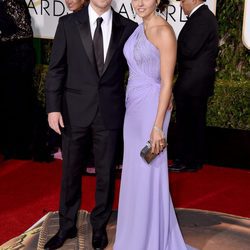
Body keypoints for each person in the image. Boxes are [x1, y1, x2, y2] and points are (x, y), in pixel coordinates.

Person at [44, 0, 137, 249]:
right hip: (73, 112)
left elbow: (136, 70)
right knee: (70, 173)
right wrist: (53, 108)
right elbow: (56, 69)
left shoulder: (128, 27)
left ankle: (99, 227)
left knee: (106, 174)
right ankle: (66, 225)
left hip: (109, 113)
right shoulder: (68, 24)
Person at [114, 0, 196, 249]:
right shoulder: (139, 27)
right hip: (134, 109)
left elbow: (167, 82)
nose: (139, 3)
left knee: (149, 171)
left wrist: (158, 125)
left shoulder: (164, 31)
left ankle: (149, 239)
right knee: (134, 172)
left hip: (152, 110)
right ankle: (133, 236)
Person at [169, 0, 219, 172]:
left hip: (194, 84)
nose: (181, 4)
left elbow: (189, 49)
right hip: (193, 82)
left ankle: (187, 161)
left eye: (183, 0)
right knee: (191, 122)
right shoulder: (201, 17)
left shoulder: (203, 17)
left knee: (190, 123)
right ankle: (190, 160)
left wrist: (167, 47)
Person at [0, 0, 35, 160]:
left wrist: (2, 38)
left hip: (18, 59)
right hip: (5, 57)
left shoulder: (12, 1)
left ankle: (21, 145)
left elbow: (26, 31)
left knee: (18, 100)